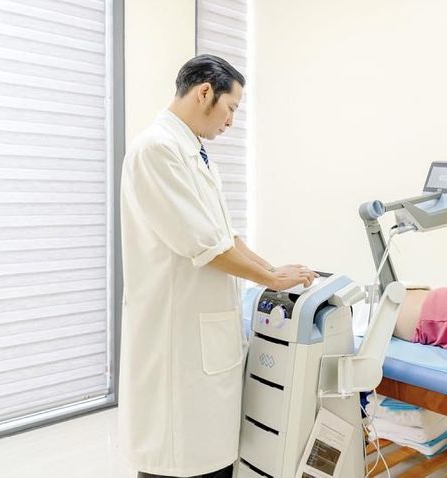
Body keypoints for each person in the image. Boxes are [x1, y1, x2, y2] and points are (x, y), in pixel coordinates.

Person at [118, 54, 318, 478]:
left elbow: (226, 236)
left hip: (206, 335)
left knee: (210, 456)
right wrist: (269, 278)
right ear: (204, 92)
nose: (231, 121)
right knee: (178, 458)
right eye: (231, 108)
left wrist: (273, 270)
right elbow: (205, 247)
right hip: (176, 335)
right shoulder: (157, 150)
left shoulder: (195, 153)